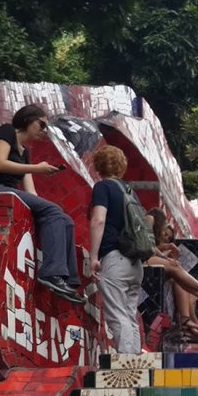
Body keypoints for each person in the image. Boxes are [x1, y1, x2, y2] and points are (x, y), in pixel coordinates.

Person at [0, 104, 83, 302]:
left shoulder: (25, 153)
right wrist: (38, 169)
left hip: (11, 191)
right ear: (28, 119)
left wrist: (36, 174)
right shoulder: (6, 131)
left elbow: (31, 191)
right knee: (53, 211)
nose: (43, 130)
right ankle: (51, 273)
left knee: (65, 219)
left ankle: (70, 281)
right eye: (41, 124)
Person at [88, 144, 146, 354]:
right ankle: (136, 365)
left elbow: (98, 220)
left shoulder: (103, 188)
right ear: (122, 166)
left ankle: (125, 369)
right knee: (129, 314)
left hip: (114, 258)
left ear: (98, 166)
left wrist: (94, 255)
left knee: (117, 315)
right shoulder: (129, 191)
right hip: (135, 263)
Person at [146, 208, 198, 341]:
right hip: (141, 265)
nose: (165, 235)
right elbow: (147, 247)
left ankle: (191, 324)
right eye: (164, 231)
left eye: (168, 235)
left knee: (181, 280)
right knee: (178, 273)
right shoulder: (148, 222)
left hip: (150, 265)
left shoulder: (155, 239)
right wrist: (165, 255)